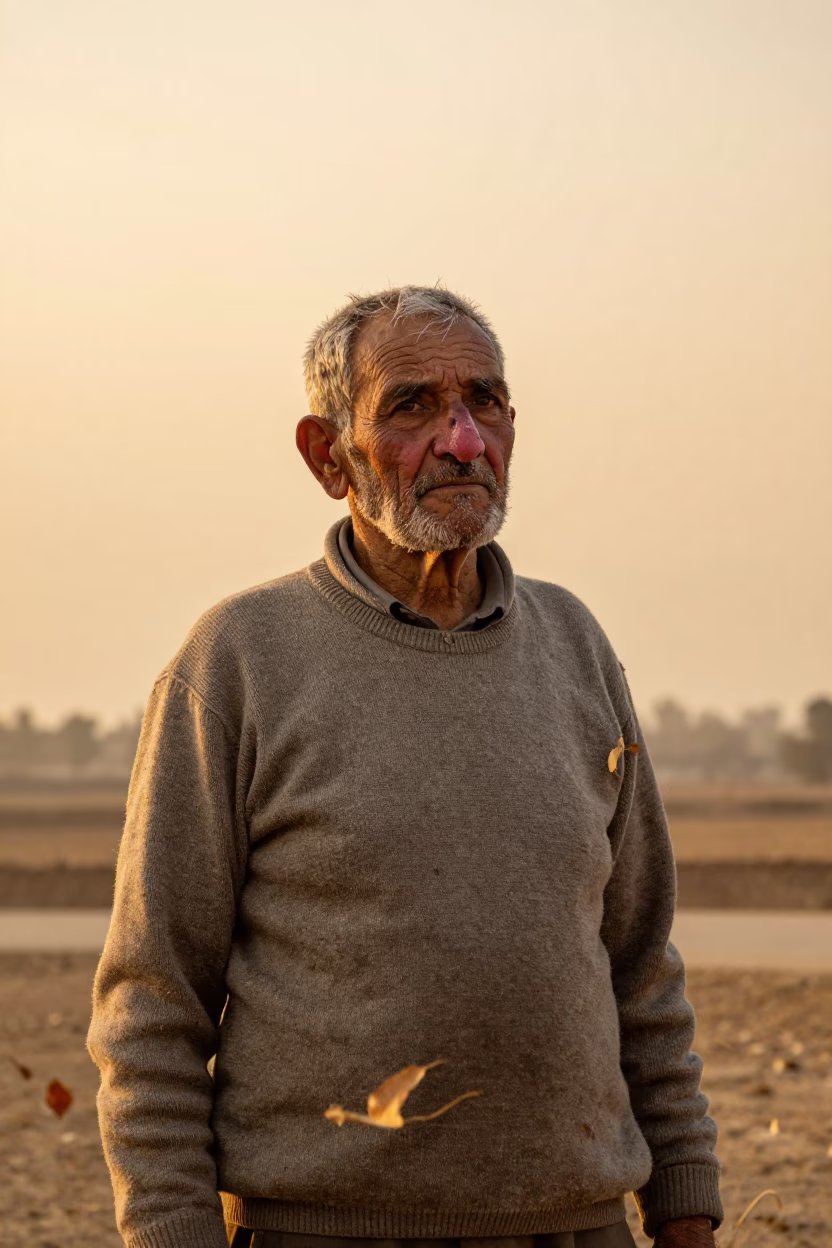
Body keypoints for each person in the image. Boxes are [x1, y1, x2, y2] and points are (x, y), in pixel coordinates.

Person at [88, 286, 722, 1248]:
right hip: (322, 1230)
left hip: (581, 1226)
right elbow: (152, 1003)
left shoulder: (577, 647)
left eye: (487, 403)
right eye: (412, 406)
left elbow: (639, 964)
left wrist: (683, 1197)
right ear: (326, 454)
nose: (464, 441)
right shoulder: (238, 663)